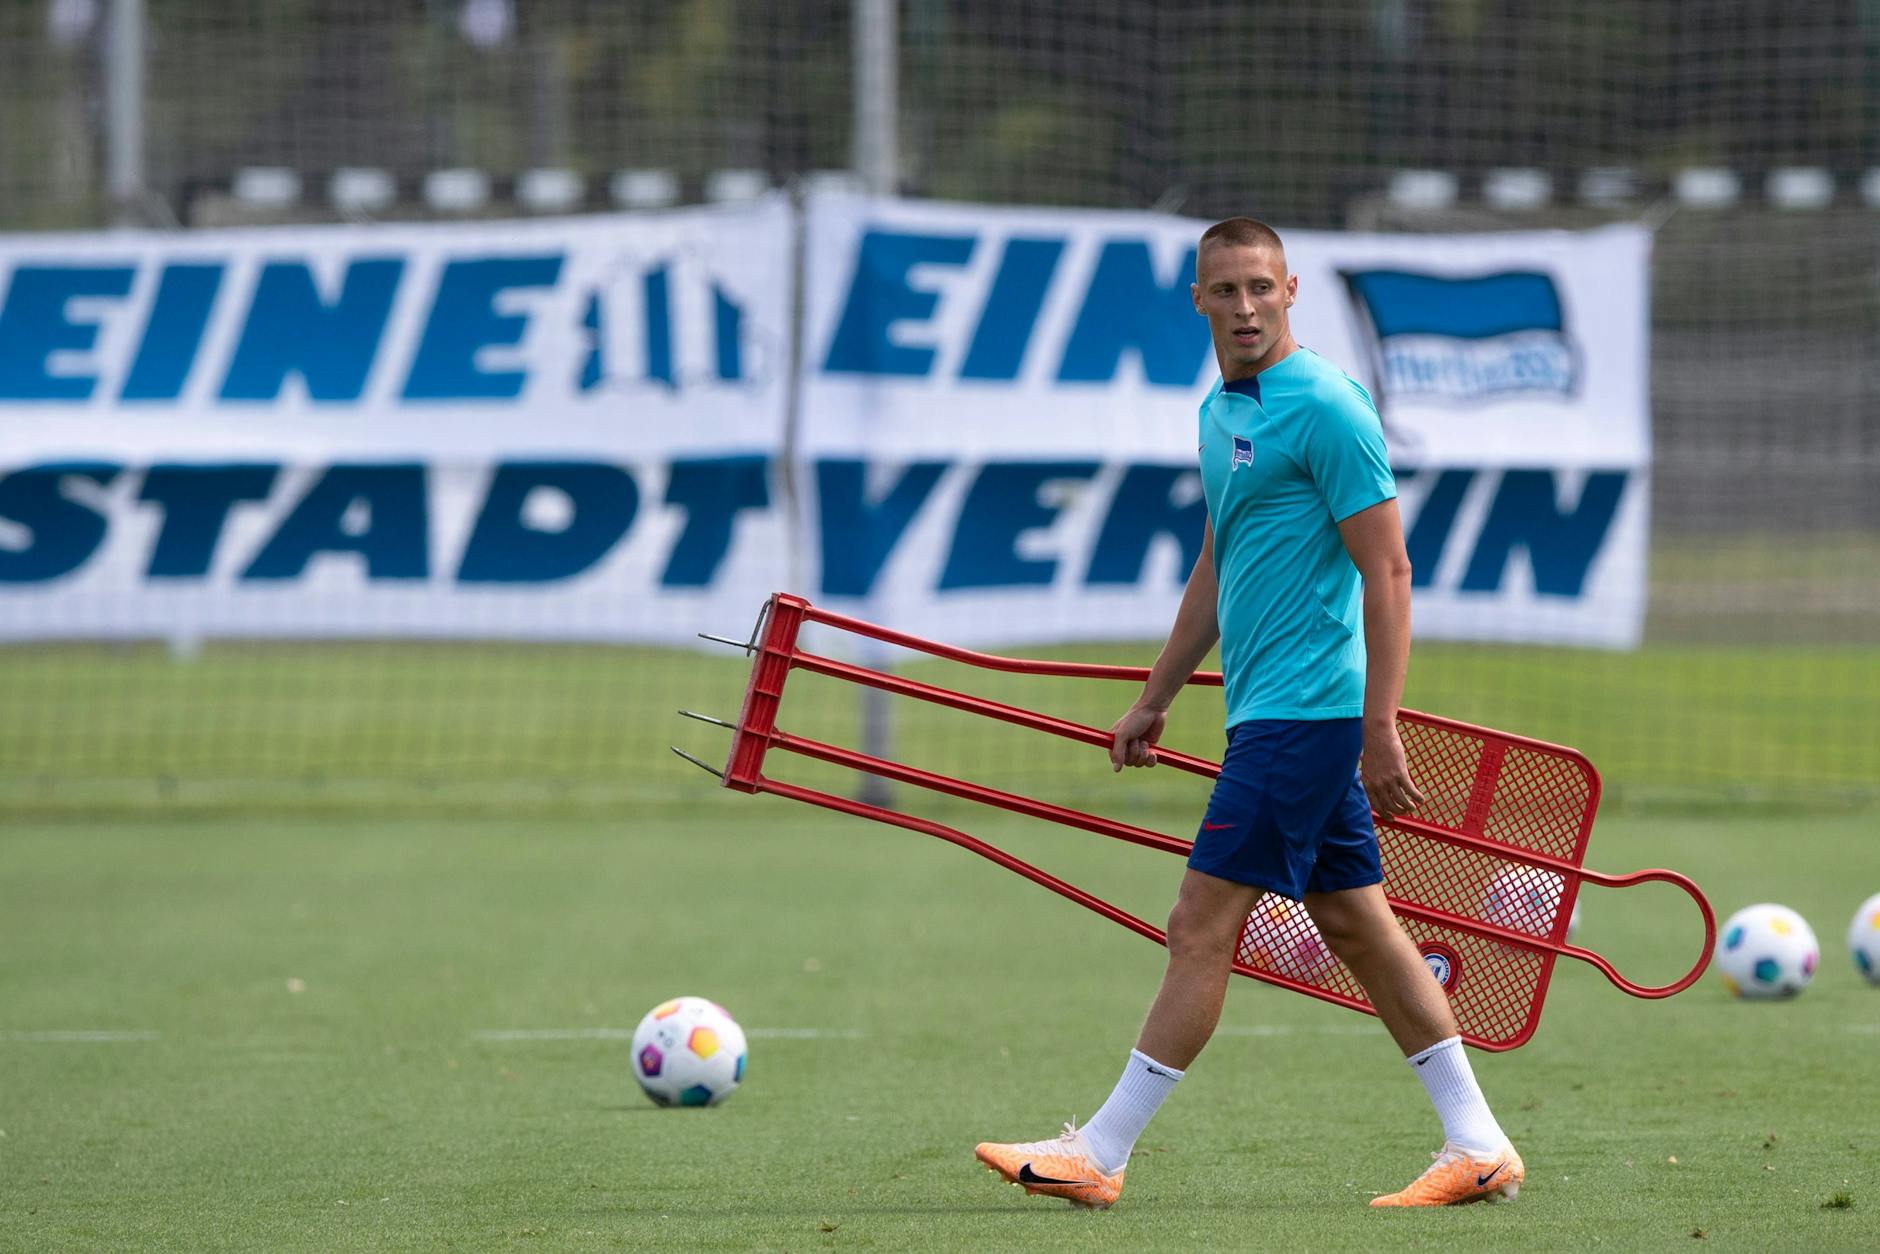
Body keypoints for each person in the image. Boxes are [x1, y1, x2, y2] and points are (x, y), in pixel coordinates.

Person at [973, 217, 1523, 1210]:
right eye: (1224, 290)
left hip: (1305, 720)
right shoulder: (1217, 411)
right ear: (1197, 300)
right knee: (1356, 926)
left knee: (1198, 925)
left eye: (1260, 287)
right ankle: (1476, 1142)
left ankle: (1097, 1152)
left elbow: (1388, 569)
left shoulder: (1323, 406)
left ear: (1290, 291)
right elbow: (1220, 559)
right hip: (1266, 715)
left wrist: (1378, 724)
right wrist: (1156, 692)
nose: (1244, 308)